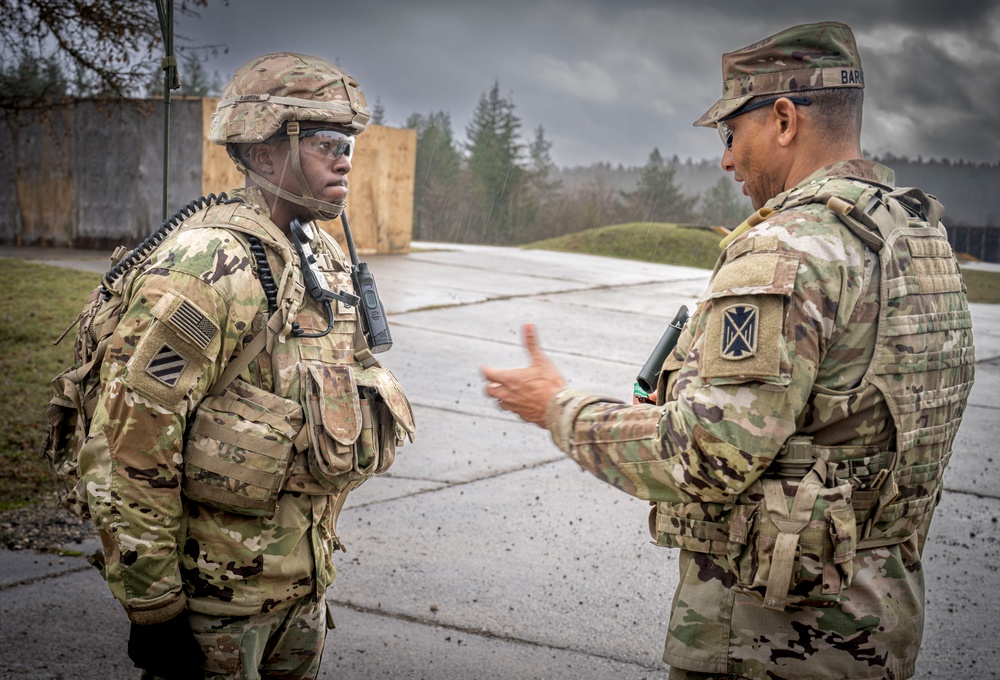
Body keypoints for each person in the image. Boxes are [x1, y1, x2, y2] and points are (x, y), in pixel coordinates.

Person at [482, 21, 974, 680]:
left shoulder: (790, 249)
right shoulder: (915, 237)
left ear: (782, 119)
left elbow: (705, 455)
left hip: (775, 641)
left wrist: (558, 408)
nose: (724, 160)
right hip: (879, 629)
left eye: (729, 134)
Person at [76, 53, 415, 679]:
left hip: (300, 594)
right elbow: (129, 444)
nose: (344, 158)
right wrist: (154, 611)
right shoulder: (208, 268)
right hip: (215, 609)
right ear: (262, 152)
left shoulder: (322, 255)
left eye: (347, 144)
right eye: (323, 143)